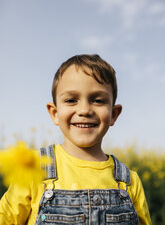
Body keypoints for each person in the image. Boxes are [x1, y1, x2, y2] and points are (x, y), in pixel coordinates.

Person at [0, 54, 151, 224]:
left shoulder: (129, 182)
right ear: (54, 113)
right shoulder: (34, 167)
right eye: (71, 100)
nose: (85, 110)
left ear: (114, 114)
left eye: (98, 100)